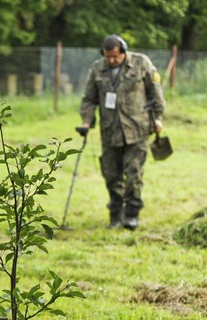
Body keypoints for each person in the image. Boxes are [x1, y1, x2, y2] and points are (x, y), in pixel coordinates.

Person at [79, 34, 166, 230]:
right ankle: (115, 214)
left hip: (137, 129)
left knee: (134, 174)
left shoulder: (141, 63)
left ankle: (131, 214)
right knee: (111, 175)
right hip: (110, 131)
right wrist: (86, 121)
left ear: (123, 52)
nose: (111, 60)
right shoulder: (97, 69)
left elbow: (155, 93)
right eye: (108, 56)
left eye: (115, 57)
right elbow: (89, 99)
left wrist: (158, 118)